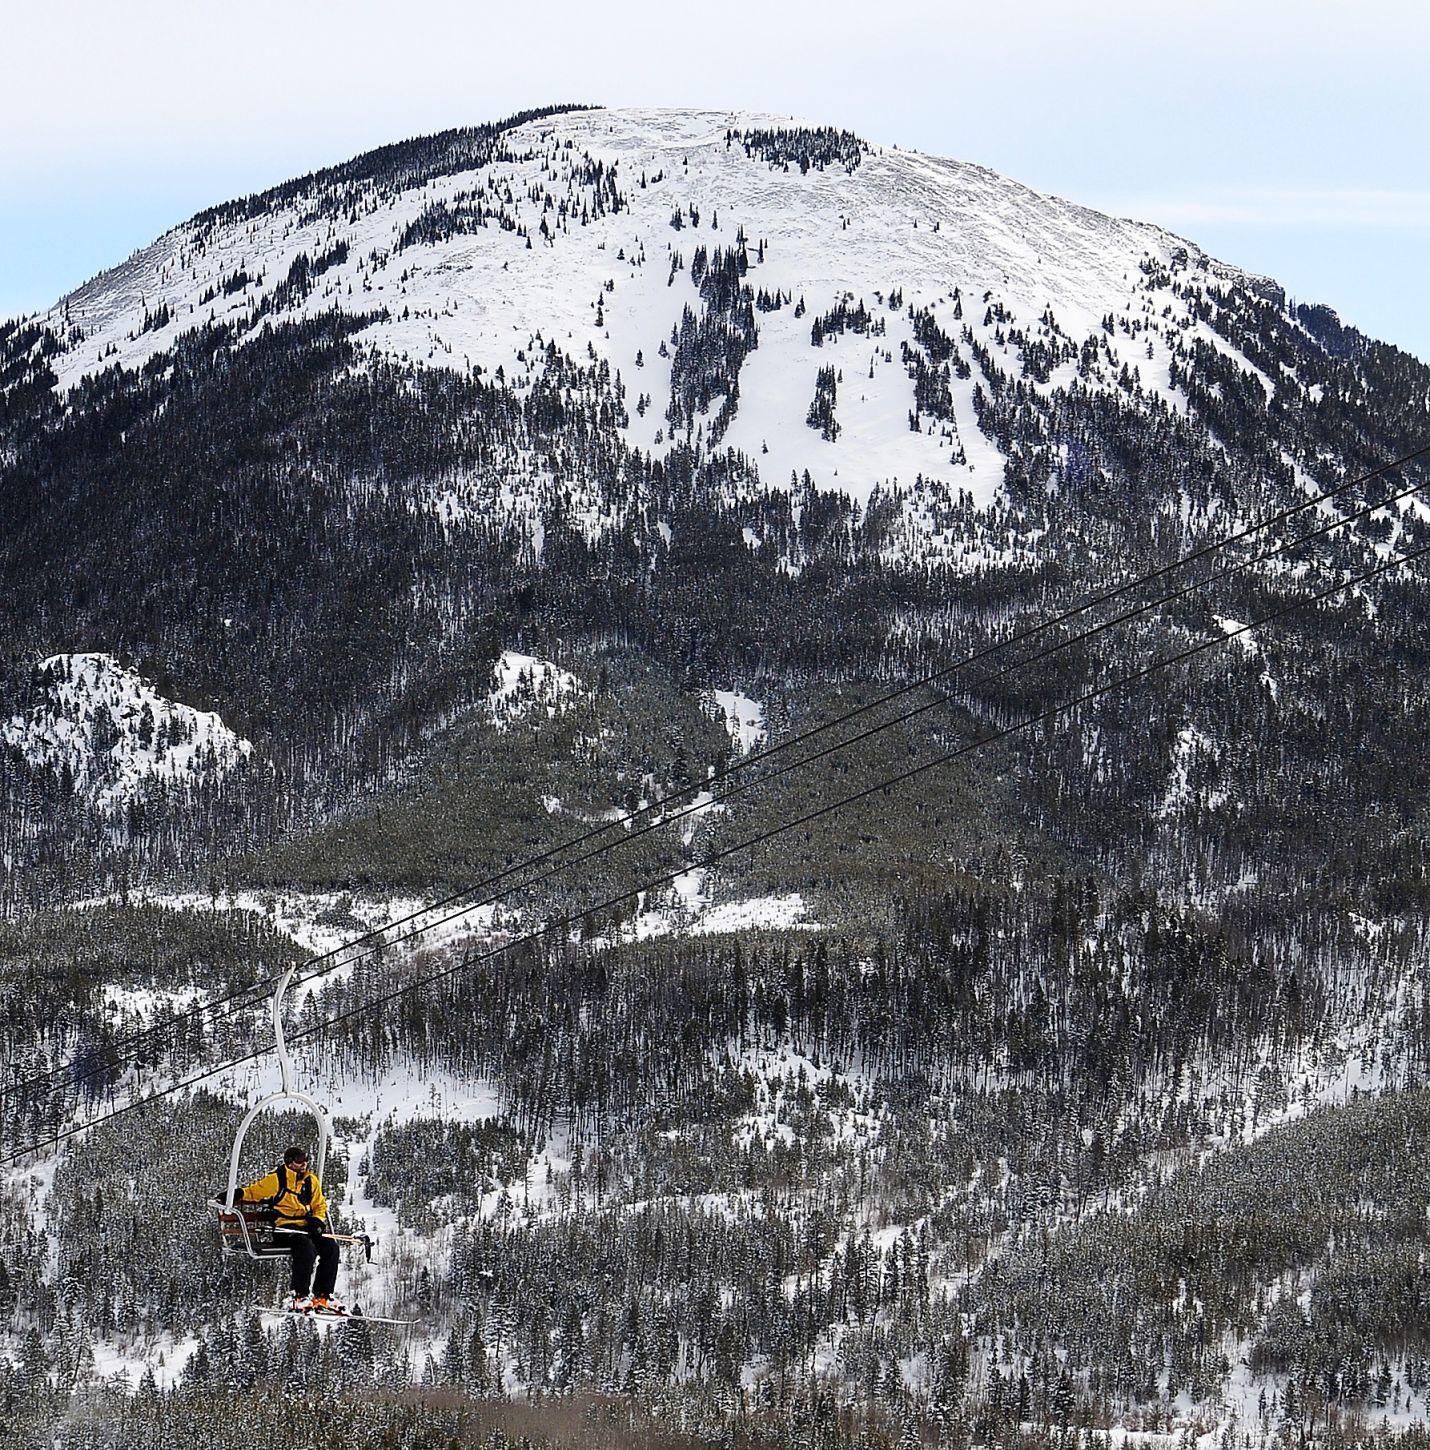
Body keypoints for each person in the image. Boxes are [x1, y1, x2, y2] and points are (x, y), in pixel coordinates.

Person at [232, 1145, 340, 1311]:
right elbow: (255, 1192)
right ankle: (300, 1295)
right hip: (284, 1228)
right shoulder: (278, 1179)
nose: (304, 1163)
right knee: (306, 1248)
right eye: (299, 1160)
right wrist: (236, 1194)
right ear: (290, 1163)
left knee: (330, 1247)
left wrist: (317, 1221)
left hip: (305, 1227)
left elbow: (319, 1205)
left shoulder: (310, 1181)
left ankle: (323, 1295)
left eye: (305, 1159)